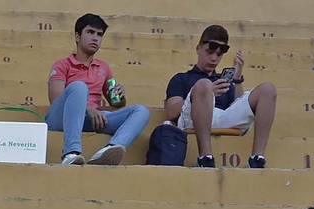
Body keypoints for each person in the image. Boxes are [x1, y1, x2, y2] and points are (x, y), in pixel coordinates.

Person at [164, 24, 277, 169]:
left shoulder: (224, 81)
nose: (214, 58)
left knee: (267, 89)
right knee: (203, 84)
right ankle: (205, 157)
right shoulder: (181, 78)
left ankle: (256, 158)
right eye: (210, 52)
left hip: (223, 117)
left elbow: (238, 106)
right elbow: (171, 112)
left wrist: (237, 79)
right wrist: (204, 94)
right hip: (192, 118)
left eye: (219, 54)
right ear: (198, 49)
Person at [45, 14, 151, 167]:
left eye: (99, 34)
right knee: (79, 86)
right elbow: (56, 100)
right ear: (77, 36)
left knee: (141, 111)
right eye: (90, 32)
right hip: (62, 118)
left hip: (93, 120)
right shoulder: (62, 65)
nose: (95, 38)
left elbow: (117, 103)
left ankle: (109, 150)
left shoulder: (103, 67)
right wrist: (87, 109)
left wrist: (120, 96)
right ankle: (71, 153)